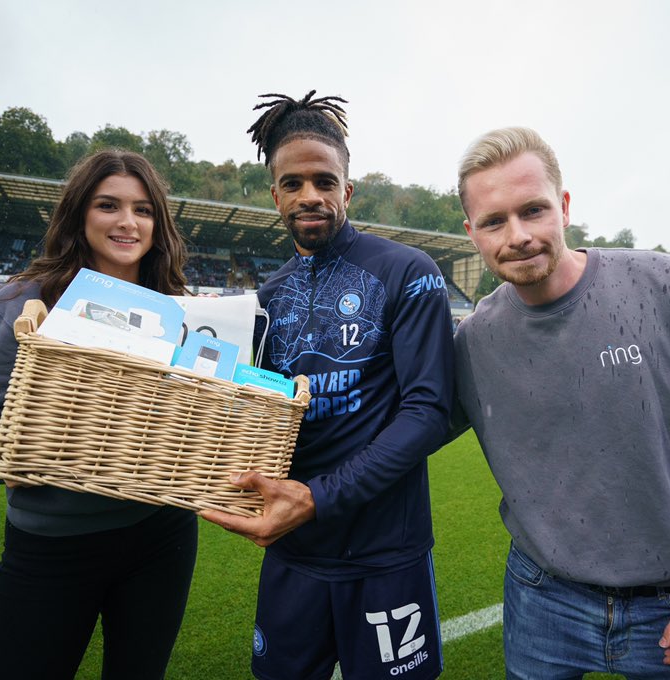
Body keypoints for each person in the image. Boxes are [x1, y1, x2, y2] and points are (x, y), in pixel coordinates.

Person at [451, 127, 670, 678]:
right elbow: (402, 426)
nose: (519, 235)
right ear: (471, 233)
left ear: (565, 205)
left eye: (534, 210)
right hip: (540, 599)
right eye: (494, 221)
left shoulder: (669, 288)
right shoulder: (473, 342)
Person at [199, 91, 454, 680]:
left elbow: (427, 412)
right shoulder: (266, 298)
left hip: (384, 553)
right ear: (274, 195)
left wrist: (317, 498)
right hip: (294, 550)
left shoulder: (407, 271)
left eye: (324, 180)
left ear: (348, 188)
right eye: (293, 183)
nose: (309, 195)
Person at [0, 150, 197, 679]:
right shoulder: (22, 302)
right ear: (79, 214)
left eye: (143, 209)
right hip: (51, 540)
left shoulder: (182, 310)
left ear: (158, 223)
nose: (127, 222)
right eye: (107, 205)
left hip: (161, 531)